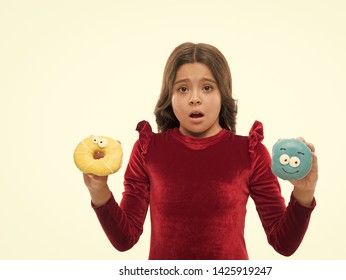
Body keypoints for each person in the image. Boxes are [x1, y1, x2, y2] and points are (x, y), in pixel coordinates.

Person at [82, 42, 318, 260]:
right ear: (170, 97)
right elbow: (125, 239)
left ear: (222, 94)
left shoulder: (250, 153)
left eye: (207, 87)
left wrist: (303, 194)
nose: (195, 98)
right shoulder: (148, 150)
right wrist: (99, 190)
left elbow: (283, 243)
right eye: (183, 89)